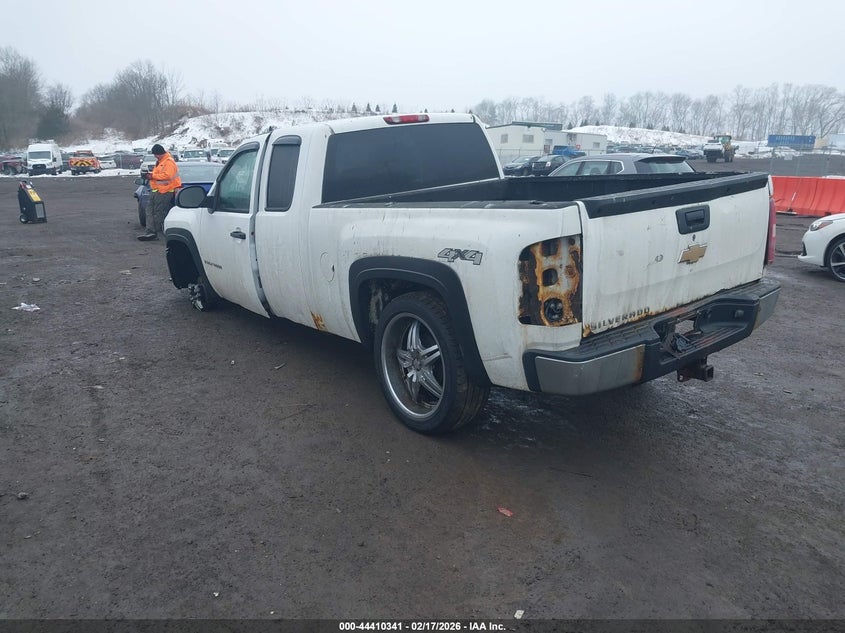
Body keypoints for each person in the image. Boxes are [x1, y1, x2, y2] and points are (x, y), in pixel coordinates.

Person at [137, 144, 181, 241]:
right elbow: (159, 174)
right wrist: (150, 175)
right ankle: (150, 231)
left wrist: (152, 176)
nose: (154, 156)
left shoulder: (169, 162)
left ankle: (156, 232)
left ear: (159, 153)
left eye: (155, 154)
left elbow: (167, 176)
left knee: (158, 212)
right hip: (156, 191)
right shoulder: (161, 162)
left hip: (165, 191)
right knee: (149, 210)